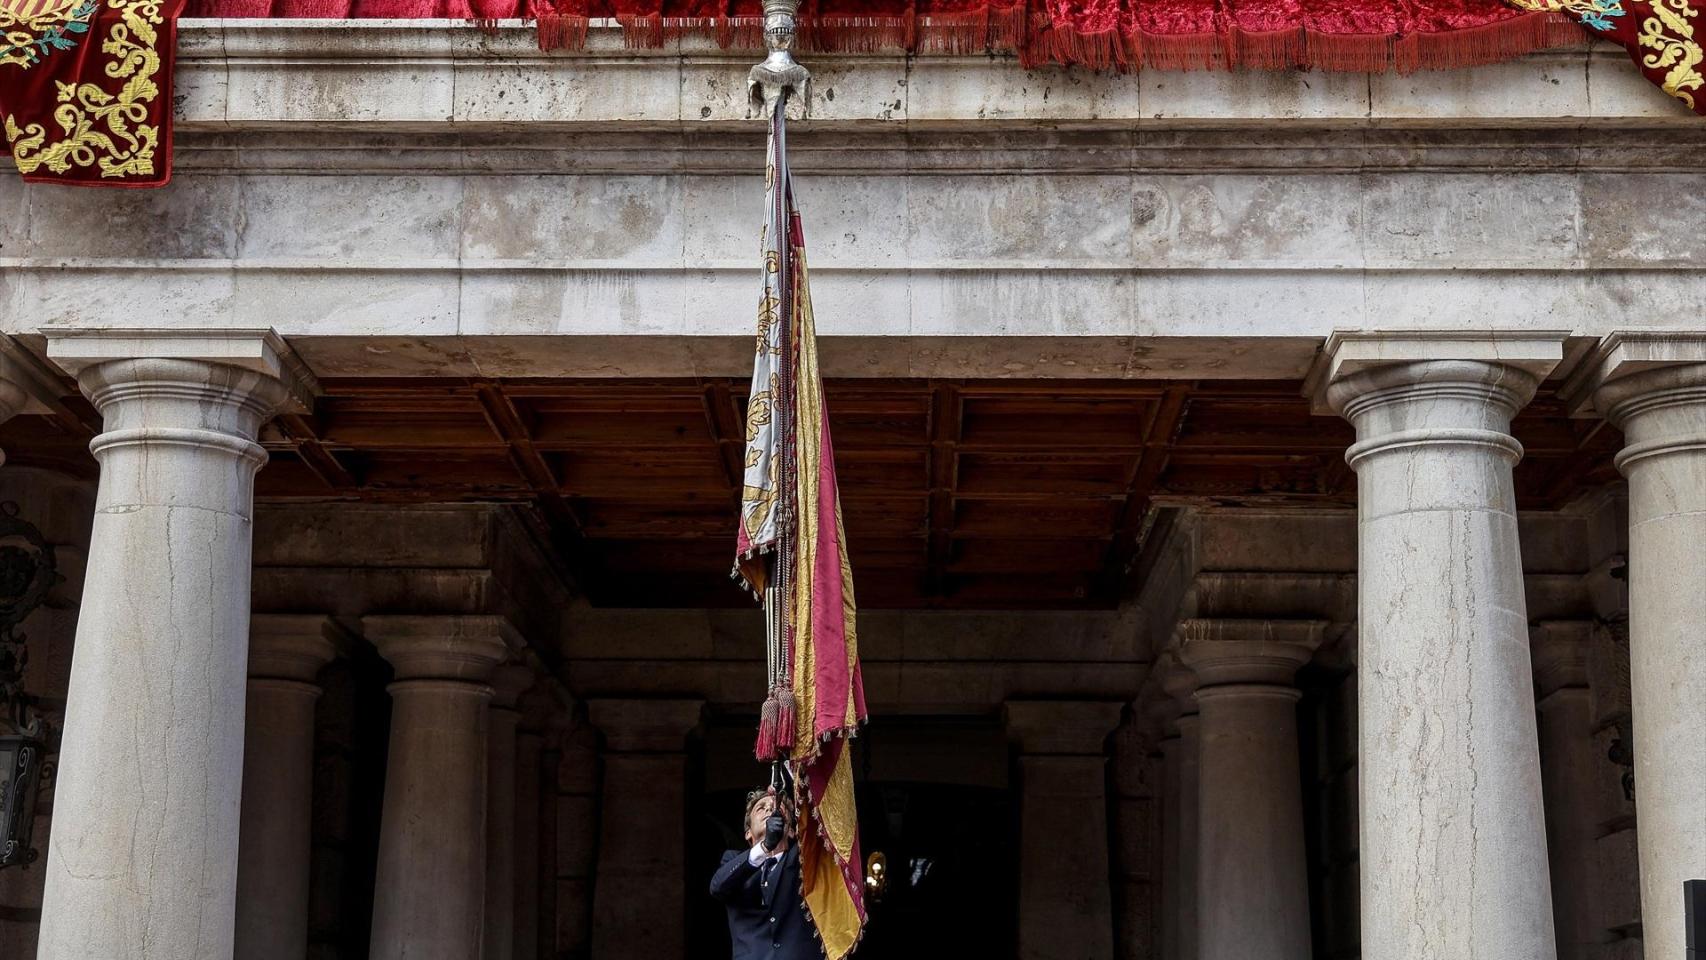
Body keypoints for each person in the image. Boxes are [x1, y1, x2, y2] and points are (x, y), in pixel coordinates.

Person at [710, 787, 822, 960]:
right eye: (761, 808)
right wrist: (765, 847)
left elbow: (818, 819)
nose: (770, 809)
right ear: (748, 833)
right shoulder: (733, 860)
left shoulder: (803, 860)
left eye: (778, 808)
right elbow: (717, 887)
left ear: (791, 830)